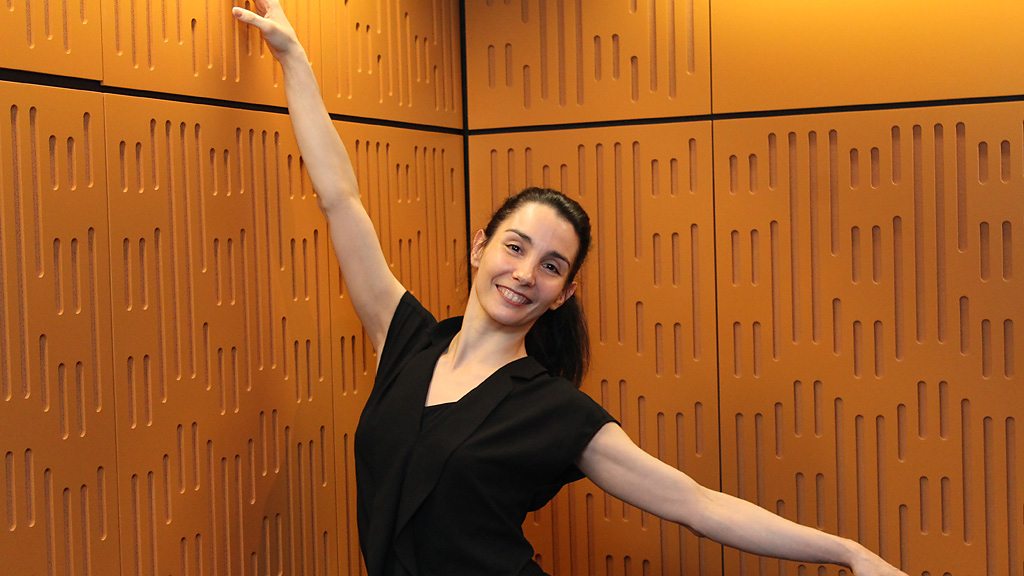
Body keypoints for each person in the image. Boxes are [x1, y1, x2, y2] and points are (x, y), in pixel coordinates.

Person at [231, 2, 910, 575]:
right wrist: (294, 58)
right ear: (480, 248)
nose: (525, 274)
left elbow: (697, 504)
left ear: (563, 293)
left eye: (551, 266)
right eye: (515, 247)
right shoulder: (403, 339)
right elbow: (341, 198)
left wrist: (847, 553)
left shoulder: (555, 413)